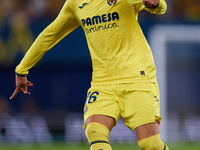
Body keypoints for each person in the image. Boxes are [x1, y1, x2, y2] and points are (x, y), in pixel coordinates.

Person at [10, 0, 168, 149]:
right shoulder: (75, 3)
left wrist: (156, 4)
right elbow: (50, 34)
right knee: (94, 131)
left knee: (150, 144)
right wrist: (22, 69)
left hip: (137, 77)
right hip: (102, 82)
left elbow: (160, 7)